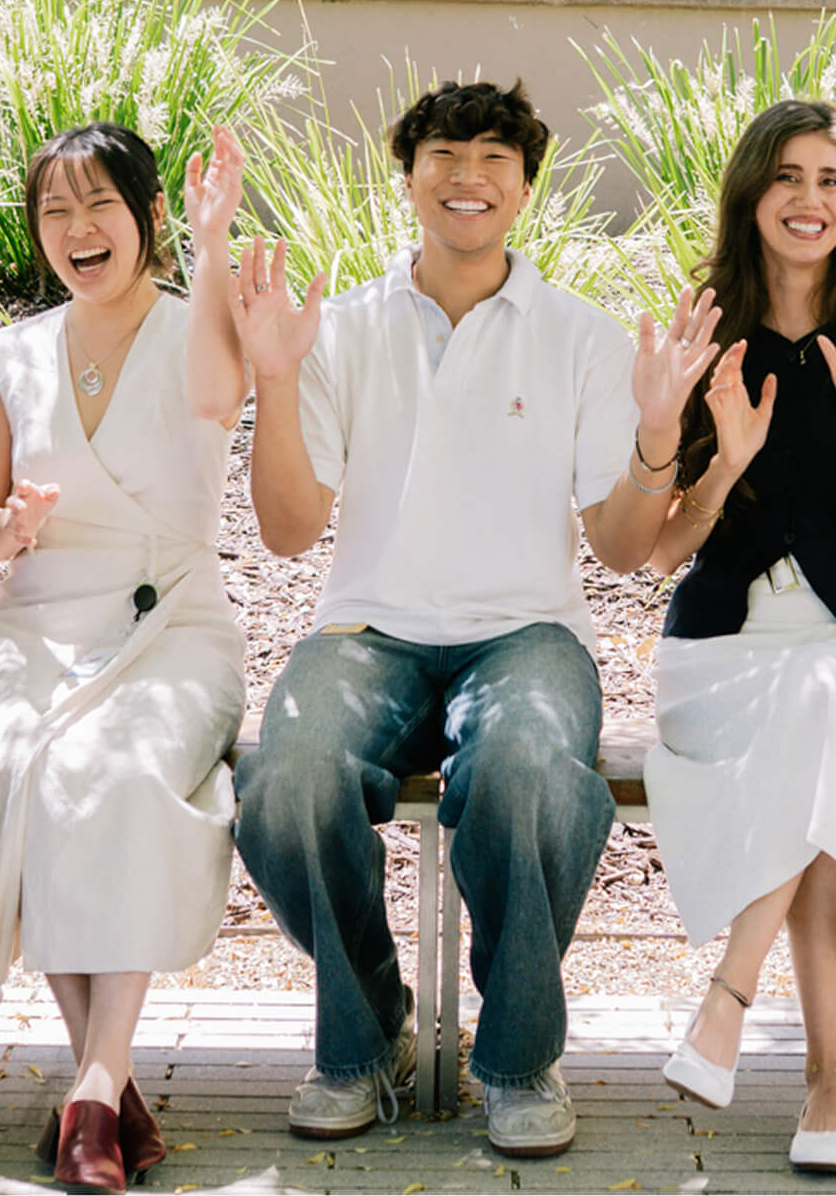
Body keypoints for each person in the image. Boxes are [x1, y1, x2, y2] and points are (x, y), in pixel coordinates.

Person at [231, 78, 694, 1160]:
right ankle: (368, 1033)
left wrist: (657, 432)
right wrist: (274, 377)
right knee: (288, 776)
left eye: (495, 157)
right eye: (443, 153)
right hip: (369, 631)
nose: (468, 175)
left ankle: (520, 1057)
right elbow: (289, 531)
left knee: (530, 769)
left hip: (526, 634)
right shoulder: (341, 328)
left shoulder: (581, 338)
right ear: (408, 177)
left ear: (525, 188)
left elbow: (621, 548)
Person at [627, 101, 836, 1177]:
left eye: (831, 180)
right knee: (823, 741)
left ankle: (729, 995)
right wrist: (722, 461)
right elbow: (659, 552)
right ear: (752, 193)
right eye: (788, 177)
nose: (810, 200)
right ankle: (828, 1078)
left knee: (826, 694)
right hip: (718, 655)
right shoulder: (702, 334)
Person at [0, 124, 252, 1194]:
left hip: (172, 623)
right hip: (35, 624)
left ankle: (88, 1088)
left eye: (100, 205)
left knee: (113, 773)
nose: (77, 229)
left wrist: (213, 243)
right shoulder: (12, 355)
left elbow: (219, 395)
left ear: (149, 215)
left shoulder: (196, 320)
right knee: (19, 765)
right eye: (55, 211)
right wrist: (10, 528)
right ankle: (103, 1087)